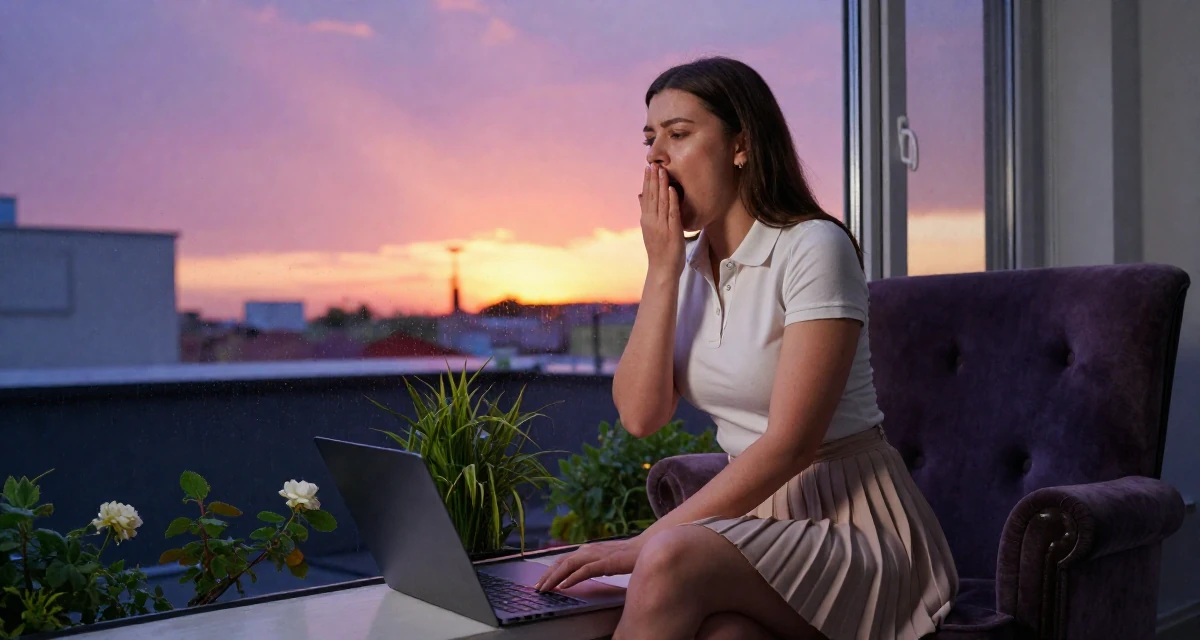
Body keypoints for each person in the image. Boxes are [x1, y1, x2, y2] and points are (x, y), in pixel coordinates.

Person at [535, 57, 958, 640]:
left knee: (668, 560)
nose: (656, 155)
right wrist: (661, 269)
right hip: (753, 525)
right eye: (649, 139)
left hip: (855, 528)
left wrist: (642, 543)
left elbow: (790, 444)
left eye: (678, 134)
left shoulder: (814, 247)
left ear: (741, 145)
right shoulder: (683, 267)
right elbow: (640, 415)